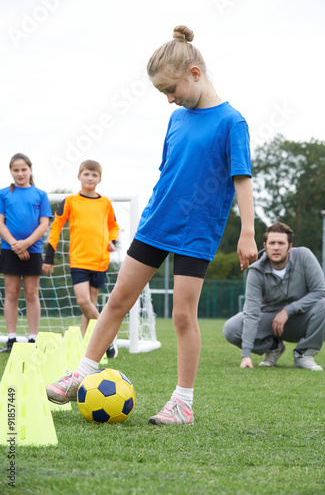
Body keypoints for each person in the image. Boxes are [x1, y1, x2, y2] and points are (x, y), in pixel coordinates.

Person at [46, 25, 258, 425]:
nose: (169, 99)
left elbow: (241, 178)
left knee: (182, 314)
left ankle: (182, 403)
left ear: (194, 73)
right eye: (163, 93)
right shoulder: (177, 120)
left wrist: (247, 231)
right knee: (117, 301)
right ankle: (82, 374)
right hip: (156, 223)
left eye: (171, 89)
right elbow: (167, 172)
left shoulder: (232, 122)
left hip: (197, 230)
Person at [223, 222, 325, 371]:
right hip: (269, 322)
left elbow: (320, 292)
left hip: (300, 320)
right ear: (265, 245)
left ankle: (304, 354)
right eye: (272, 243)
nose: (276, 247)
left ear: (289, 247)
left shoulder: (304, 256)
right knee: (231, 328)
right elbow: (252, 312)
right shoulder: (256, 271)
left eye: (281, 243)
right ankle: (273, 347)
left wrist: (288, 310)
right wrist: (246, 355)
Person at [42, 160, 119, 357]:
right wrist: (49, 256)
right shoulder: (70, 201)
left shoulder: (105, 203)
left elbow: (113, 226)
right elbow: (56, 226)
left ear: (99, 179)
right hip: (78, 261)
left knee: (90, 304)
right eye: (86, 174)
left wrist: (113, 240)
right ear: (79, 176)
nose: (90, 178)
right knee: (84, 301)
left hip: (100, 260)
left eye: (94, 175)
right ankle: (108, 338)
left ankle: (87, 347)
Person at [0, 153, 53, 353]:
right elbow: (0, 222)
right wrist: (14, 244)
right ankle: (11, 339)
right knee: (11, 292)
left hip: (33, 250)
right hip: (9, 249)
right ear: (11, 172)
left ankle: (33, 339)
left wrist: (26, 244)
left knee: (31, 293)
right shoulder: (4, 194)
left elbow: (44, 224)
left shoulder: (40, 195)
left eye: (23, 169)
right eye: (16, 170)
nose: (20, 173)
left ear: (30, 170)